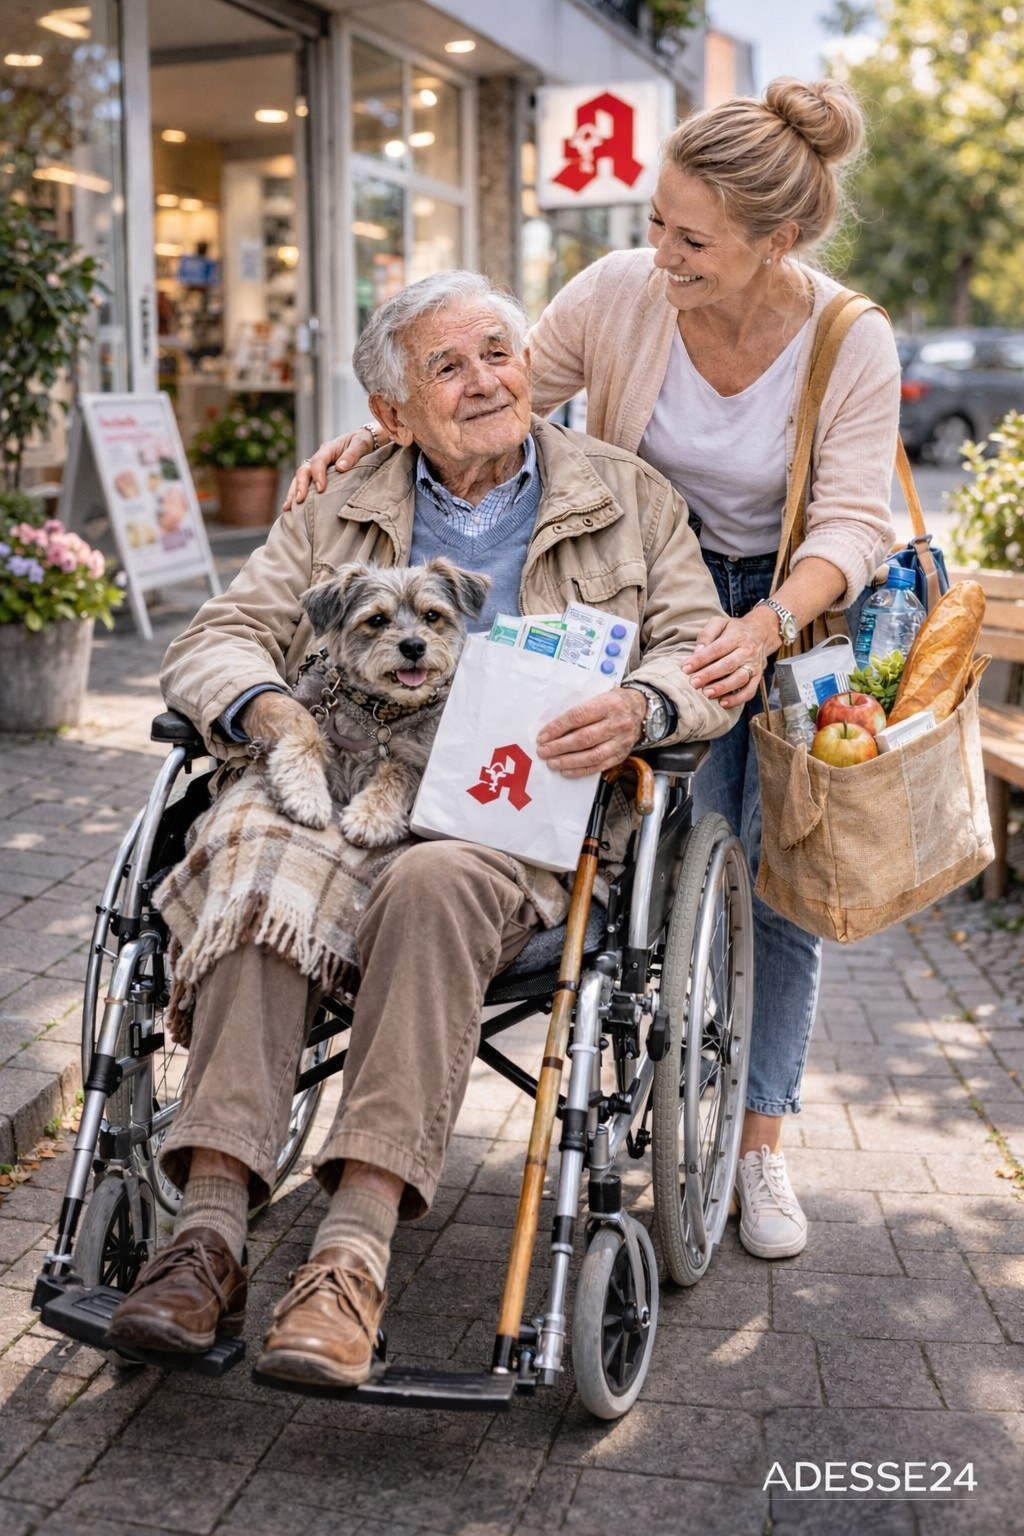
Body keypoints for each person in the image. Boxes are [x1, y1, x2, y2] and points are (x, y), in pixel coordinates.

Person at [287, 78, 902, 1263]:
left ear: (775, 239)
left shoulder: (846, 337)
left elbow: (851, 521)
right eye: (656, 221)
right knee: (636, 839)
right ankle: (632, 1052)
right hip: (638, 587)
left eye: (691, 240)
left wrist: (766, 623)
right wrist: (380, 432)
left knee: (773, 876)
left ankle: (760, 1144)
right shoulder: (623, 290)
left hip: (785, 605)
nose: (660, 253)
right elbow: (496, 394)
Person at [106, 270, 737, 1387]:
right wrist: (272, 712)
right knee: (255, 858)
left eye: (498, 351)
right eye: (447, 367)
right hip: (337, 787)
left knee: (431, 882)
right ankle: (204, 1239)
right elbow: (218, 635)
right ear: (392, 413)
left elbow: (699, 649)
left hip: (504, 822)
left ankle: (349, 1260)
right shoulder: (340, 497)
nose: (486, 380)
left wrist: (643, 707)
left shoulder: (625, 496)